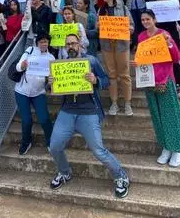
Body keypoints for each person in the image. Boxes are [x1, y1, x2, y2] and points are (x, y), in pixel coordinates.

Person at [48, 33, 130, 198]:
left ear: (80, 45)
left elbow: (107, 80)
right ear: (65, 47)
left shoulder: (91, 61)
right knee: (54, 146)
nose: (71, 46)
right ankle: (65, 172)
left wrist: (96, 80)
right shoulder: (60, 64)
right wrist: (49, 82)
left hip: (88, 112)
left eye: (73, 43)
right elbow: (51, 87)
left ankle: (121, 176)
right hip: (67, 112)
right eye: (68, 44)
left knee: (98, 150)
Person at [132, 11, 180, 167]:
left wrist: (169, 42)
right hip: (149, 80)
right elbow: (141, 57)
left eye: (148, 19)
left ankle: (176, 149)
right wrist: (136, 63)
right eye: (143, 19)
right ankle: (166, 146)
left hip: (165, 79)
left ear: (154, 20)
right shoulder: (141, 36)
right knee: (157, 117)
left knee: (170, 116)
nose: (145, 22)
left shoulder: (164, 34)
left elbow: (176, 57)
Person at [13, 34, 55, 155]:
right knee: (26, 120)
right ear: (37, 43)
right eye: (42, 42)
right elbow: (17, 67)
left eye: (46, 42)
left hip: (39, 92)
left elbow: (51, 77)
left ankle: (50, 141)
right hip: (22, 91)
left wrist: (50, 82)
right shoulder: (29, 51)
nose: (44, 44)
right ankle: (26, 142)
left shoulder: (51, 57)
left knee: (44, 118)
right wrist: (22, 65)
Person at [98, 0, 134, 116]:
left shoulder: (123, 9)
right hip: (107, 45)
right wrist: (99, 26)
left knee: (124, 74)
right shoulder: (101, 10)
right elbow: (98, 27)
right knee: (111, 74)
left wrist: (128, 28)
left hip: (121, 45)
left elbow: (132, 26)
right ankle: (114, 103)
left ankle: (127, 103)